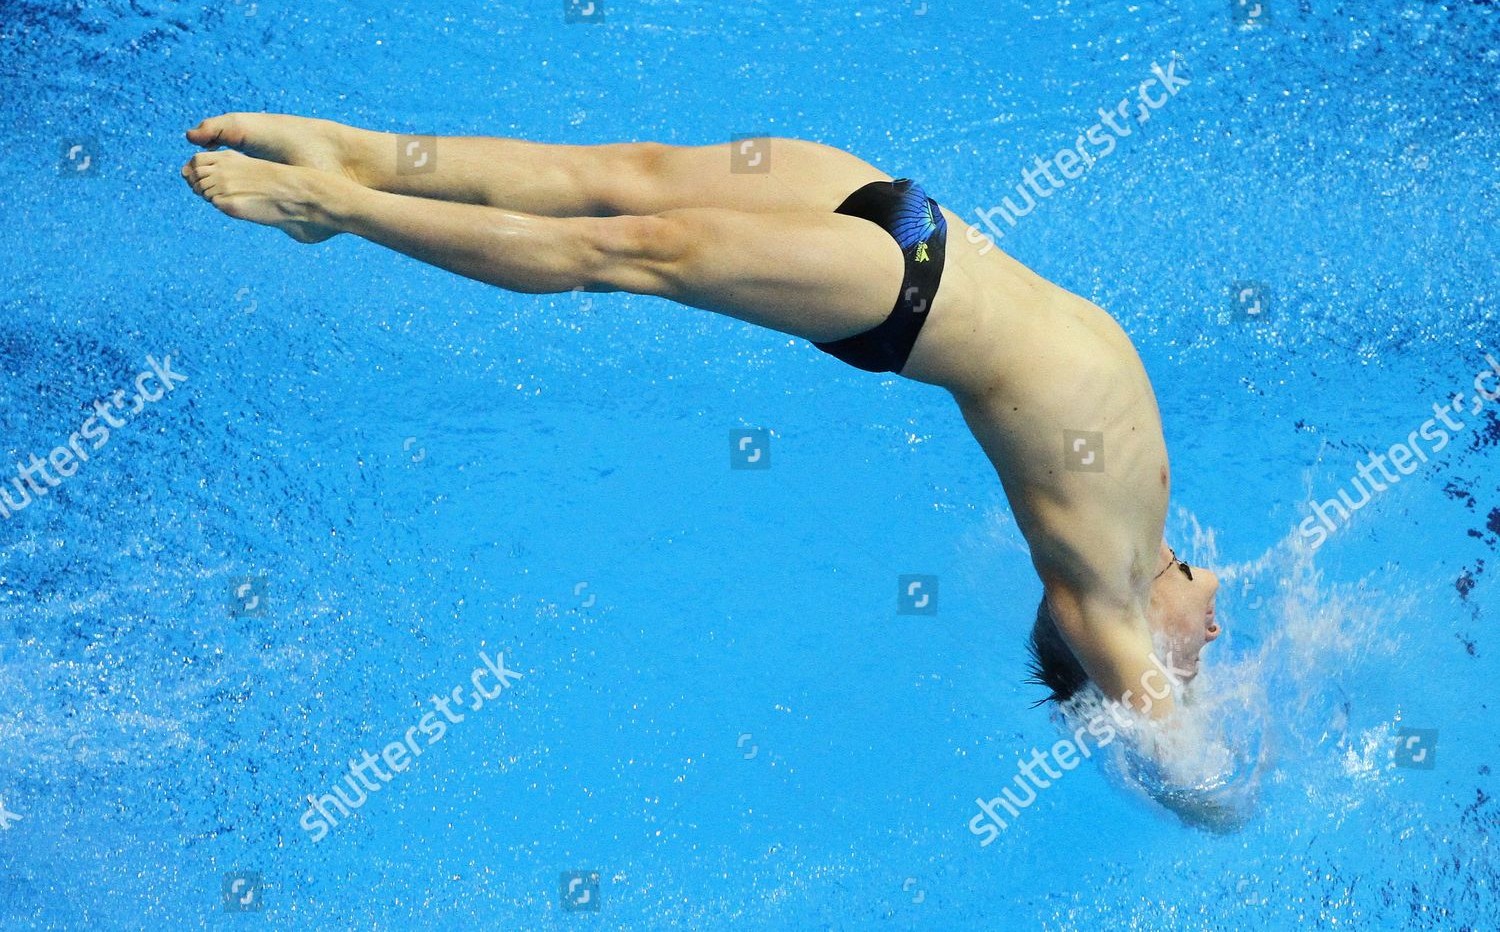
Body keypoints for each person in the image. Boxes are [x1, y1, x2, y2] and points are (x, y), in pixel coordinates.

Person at [180, 113, 1222, 721]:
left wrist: (1173, 719)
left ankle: (339, 209)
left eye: (1201, 658)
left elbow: (1195, 781)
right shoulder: (1154, 540)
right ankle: (356, 155)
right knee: (618, 175)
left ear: (1110, 661)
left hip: (897, 289)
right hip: (906, 219)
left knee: (627, 248)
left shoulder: (1099, 599)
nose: (1216, 634)